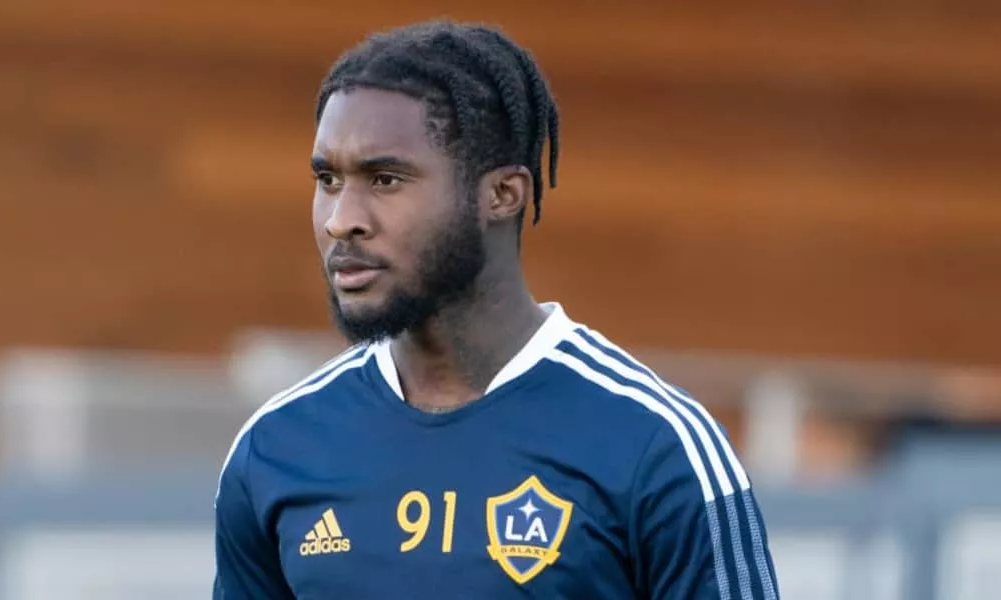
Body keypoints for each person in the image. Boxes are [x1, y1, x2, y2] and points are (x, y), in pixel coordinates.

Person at [213, 20, 779, 599]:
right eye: (328, 179)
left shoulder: (655, 446)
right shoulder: (276, 449)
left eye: (384, 179)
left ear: (503, 195)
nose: (341, 219)